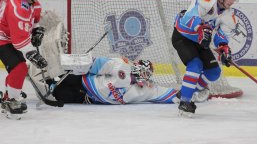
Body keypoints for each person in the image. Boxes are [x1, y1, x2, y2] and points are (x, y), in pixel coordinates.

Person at [172, 0, 239, 116]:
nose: (232, 2)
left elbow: (222, 35)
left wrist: (224, 47)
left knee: (214, 72)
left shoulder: (229, 15)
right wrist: (200, 28)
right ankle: (185, 102)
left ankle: (185, 91)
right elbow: (188, 16)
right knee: (195, 65)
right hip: (182, 36)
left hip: (200, 41)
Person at [33, 57, 178, 105]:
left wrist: (181, 96)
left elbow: (160, 93)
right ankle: (41, 77)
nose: (146, 77)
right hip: (85, 81)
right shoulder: (122, 66)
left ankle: (50, 89)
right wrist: (81, 63)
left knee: (64, 96)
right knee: (64, 77)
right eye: (145, 73)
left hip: (91, 98)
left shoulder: (144, 89)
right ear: (139, 69)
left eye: (147, 75)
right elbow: (99, 64)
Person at [0, 0, 48, 117]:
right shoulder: (17, 8)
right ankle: (11, 100)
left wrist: (36, 30)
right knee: (19, 68)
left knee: (19, 68)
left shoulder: (34, 3)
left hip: (12, 38)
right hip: (3, 40)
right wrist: (34, 55)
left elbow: (35, 20)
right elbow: (19, 42)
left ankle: (9, 95)